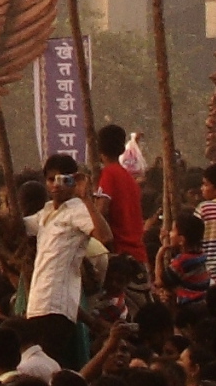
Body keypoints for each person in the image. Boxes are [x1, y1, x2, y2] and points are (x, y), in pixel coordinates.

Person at [21, 154, 109, 367]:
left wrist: (86, 197)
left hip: (57, 305)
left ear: (73, 180)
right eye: (51, 180)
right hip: (37, 304)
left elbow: (105, 237)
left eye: (63, 179)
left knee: (46, 364)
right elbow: (18, 227)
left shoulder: (78, 209)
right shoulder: (47, 211)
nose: (56, 185)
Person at [92, 125, 146, 268]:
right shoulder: (129, 178)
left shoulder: (109, 174)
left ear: (99, 149)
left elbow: (101, 211)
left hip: (121, 258)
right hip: (138, 255)